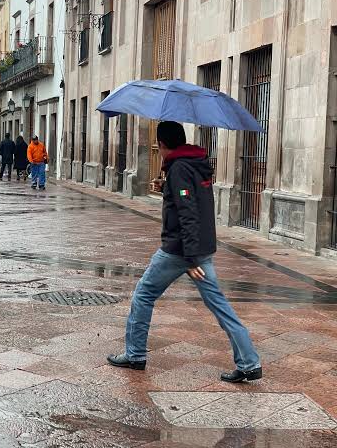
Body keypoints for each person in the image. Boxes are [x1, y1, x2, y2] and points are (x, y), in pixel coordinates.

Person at [107, 121, 261, 383]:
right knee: (220, 306)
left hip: (180, 252)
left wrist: (189, 259)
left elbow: (187, 213)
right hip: (200, 249)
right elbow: (190, 201)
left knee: (143, 295)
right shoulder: (195, 163)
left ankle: (135, 355)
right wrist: (168, 188)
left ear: (163, 144)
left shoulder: (178, 168)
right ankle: (249, 363)